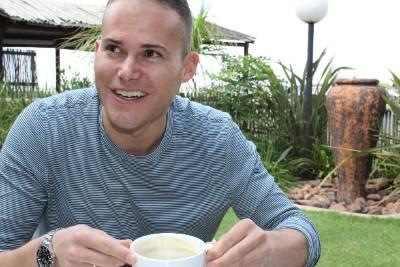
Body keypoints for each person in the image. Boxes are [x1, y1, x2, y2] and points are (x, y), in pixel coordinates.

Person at [0, 0, 320, 266]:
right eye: (114, 49)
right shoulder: (44, 129)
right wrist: (48, 253)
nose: (126, 72)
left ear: (187, 68)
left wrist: (267, 250)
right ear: (97, 52)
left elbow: (303, 233)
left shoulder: (217, 140)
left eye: (151, 54)